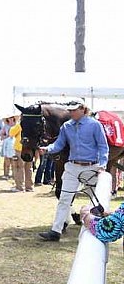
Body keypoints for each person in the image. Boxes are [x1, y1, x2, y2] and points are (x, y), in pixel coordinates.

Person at [38, 101, 109, 241]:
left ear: (83, 109)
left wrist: (102, 165)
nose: (71, 113)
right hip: (72, 166)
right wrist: (48, 149)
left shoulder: (95, 125)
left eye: (74, 110)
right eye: (70, 110)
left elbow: (103, 146)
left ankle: (93, 229)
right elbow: (59, 144)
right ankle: (55, 231)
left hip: (92, 167)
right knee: (64, 198)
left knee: (93, 200)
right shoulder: (66, 126)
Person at [9, 119, 33, 193]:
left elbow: (11, 133)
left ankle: (20, 187)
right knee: (29, 168)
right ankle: (29, 187)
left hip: (20, 149)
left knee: (19, 167)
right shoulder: (32, 124)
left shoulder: (20, 125)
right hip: (30, 149)